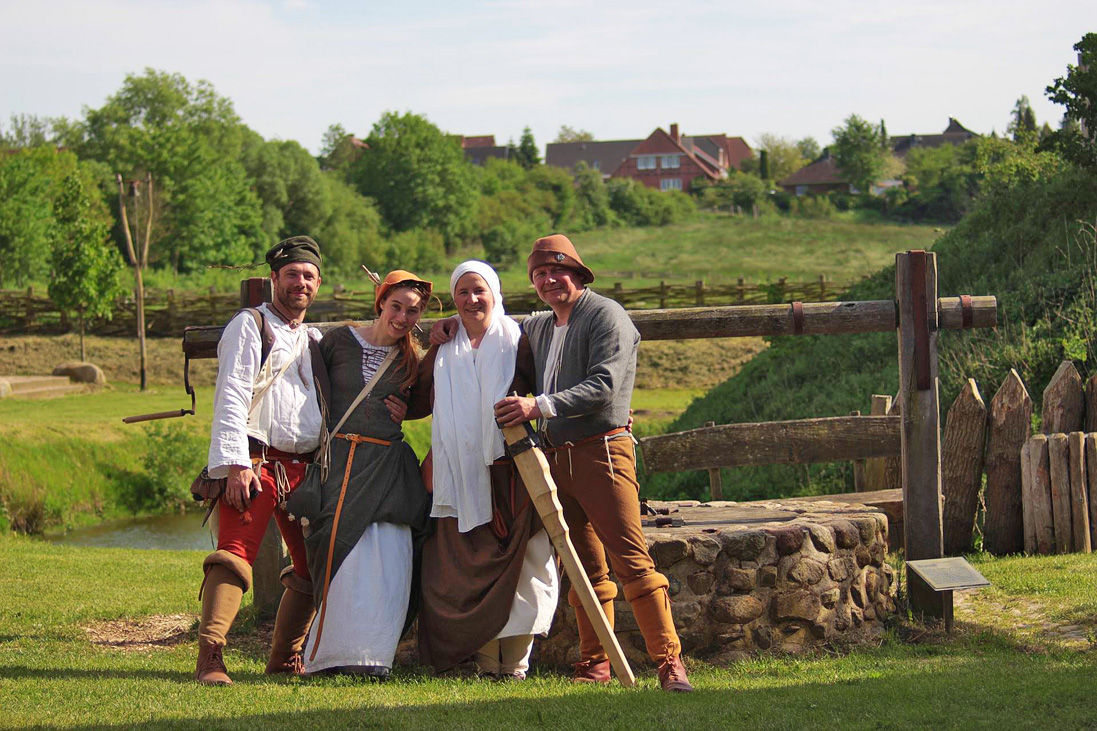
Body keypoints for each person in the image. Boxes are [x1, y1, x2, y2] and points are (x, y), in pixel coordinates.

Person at [437, 234, 693, 692]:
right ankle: (595, 662)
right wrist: (448, 324)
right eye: (540, 274)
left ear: (577, 273)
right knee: (583, 567)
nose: (549, 280)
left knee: (632, 560)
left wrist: (538, 406)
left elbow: (605, 384)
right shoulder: (537, 327)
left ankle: (669, 663)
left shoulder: (606, 315)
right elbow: (491, 322)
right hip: (555, 459)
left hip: (601, 453)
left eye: (558, 271)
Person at [411, 261, 559, 680]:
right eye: (463, 292)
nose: (472, 299)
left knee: (526, 564)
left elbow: (549, 391)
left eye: (479, 290)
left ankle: (516, 663)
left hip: (513, 474)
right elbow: (415, 400)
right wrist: (431, 343)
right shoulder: (445, 347)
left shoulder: (520, 341)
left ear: (495, 293)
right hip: (457, 475)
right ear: (453, 299)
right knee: (466, 571)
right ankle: (486, 661)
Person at [286, 270, 432, 679]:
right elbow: (309, 390)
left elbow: (428, 398)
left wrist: (409, 410)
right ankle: (327, 655)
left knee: (386, 557)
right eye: (396, 306)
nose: (402, 318)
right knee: (337, 554)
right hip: (337, 462)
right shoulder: (338, 340)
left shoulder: (411, 358)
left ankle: (373, 656)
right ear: (381, 302)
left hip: (386, 468)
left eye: (412, 312)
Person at [196, 235, 327, 686]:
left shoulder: (313, 338)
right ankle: (210, 658)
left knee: (311, 565)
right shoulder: (250, 325)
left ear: (318, 284)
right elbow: (232, 394)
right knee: (234, 556)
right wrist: (235, 463)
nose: (300, 283)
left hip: (303, 468)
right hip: (254, 461)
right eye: (292, 275)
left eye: (308, 276)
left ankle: (285, 658)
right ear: (274, 278)